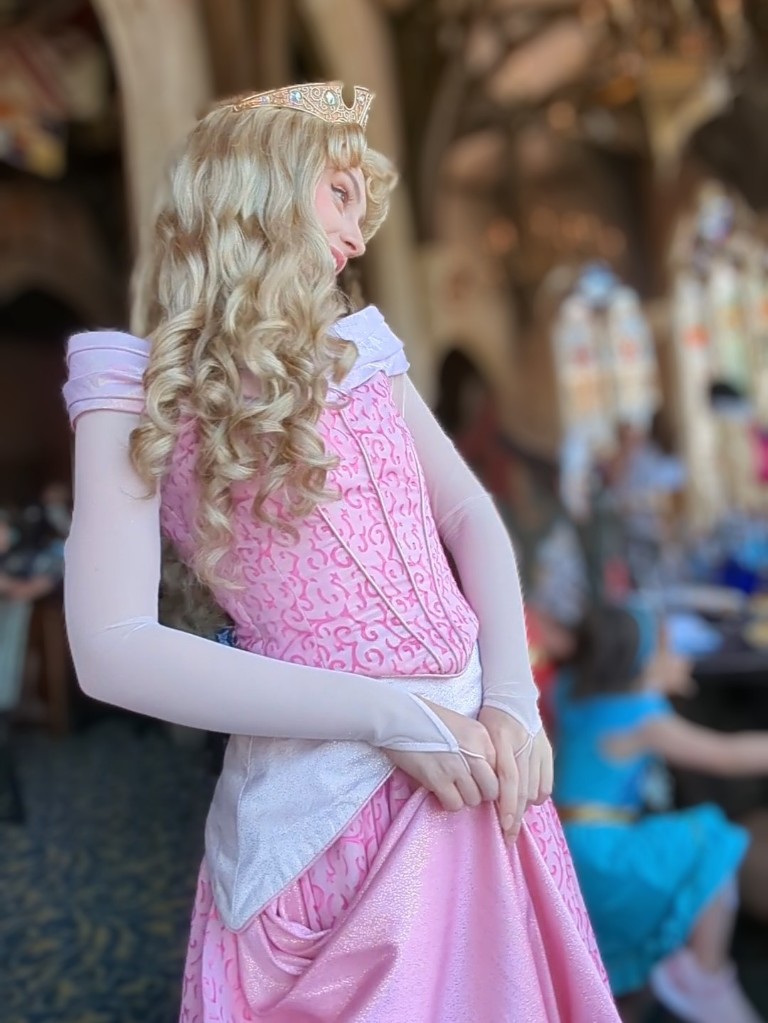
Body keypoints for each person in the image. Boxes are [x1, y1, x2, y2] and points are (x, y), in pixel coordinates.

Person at [62, 82, 619, 1021]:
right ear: (263, 189)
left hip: (472, 766)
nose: (359, 235)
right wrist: (385, 715)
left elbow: (474, 516)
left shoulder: (362, 353)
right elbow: (111, 646)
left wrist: (513, 699)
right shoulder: (137, 387)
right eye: (340, 194)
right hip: (326, 819)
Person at [554, 602, 767, 1023]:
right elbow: (725, 755)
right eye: (670, 651)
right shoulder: (643, 719)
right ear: (642, 669)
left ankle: (662, 986)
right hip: (602, 851)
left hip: (565, 843)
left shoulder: (571, 691)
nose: (683, 659)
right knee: (713, 839)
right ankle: (703, 974)